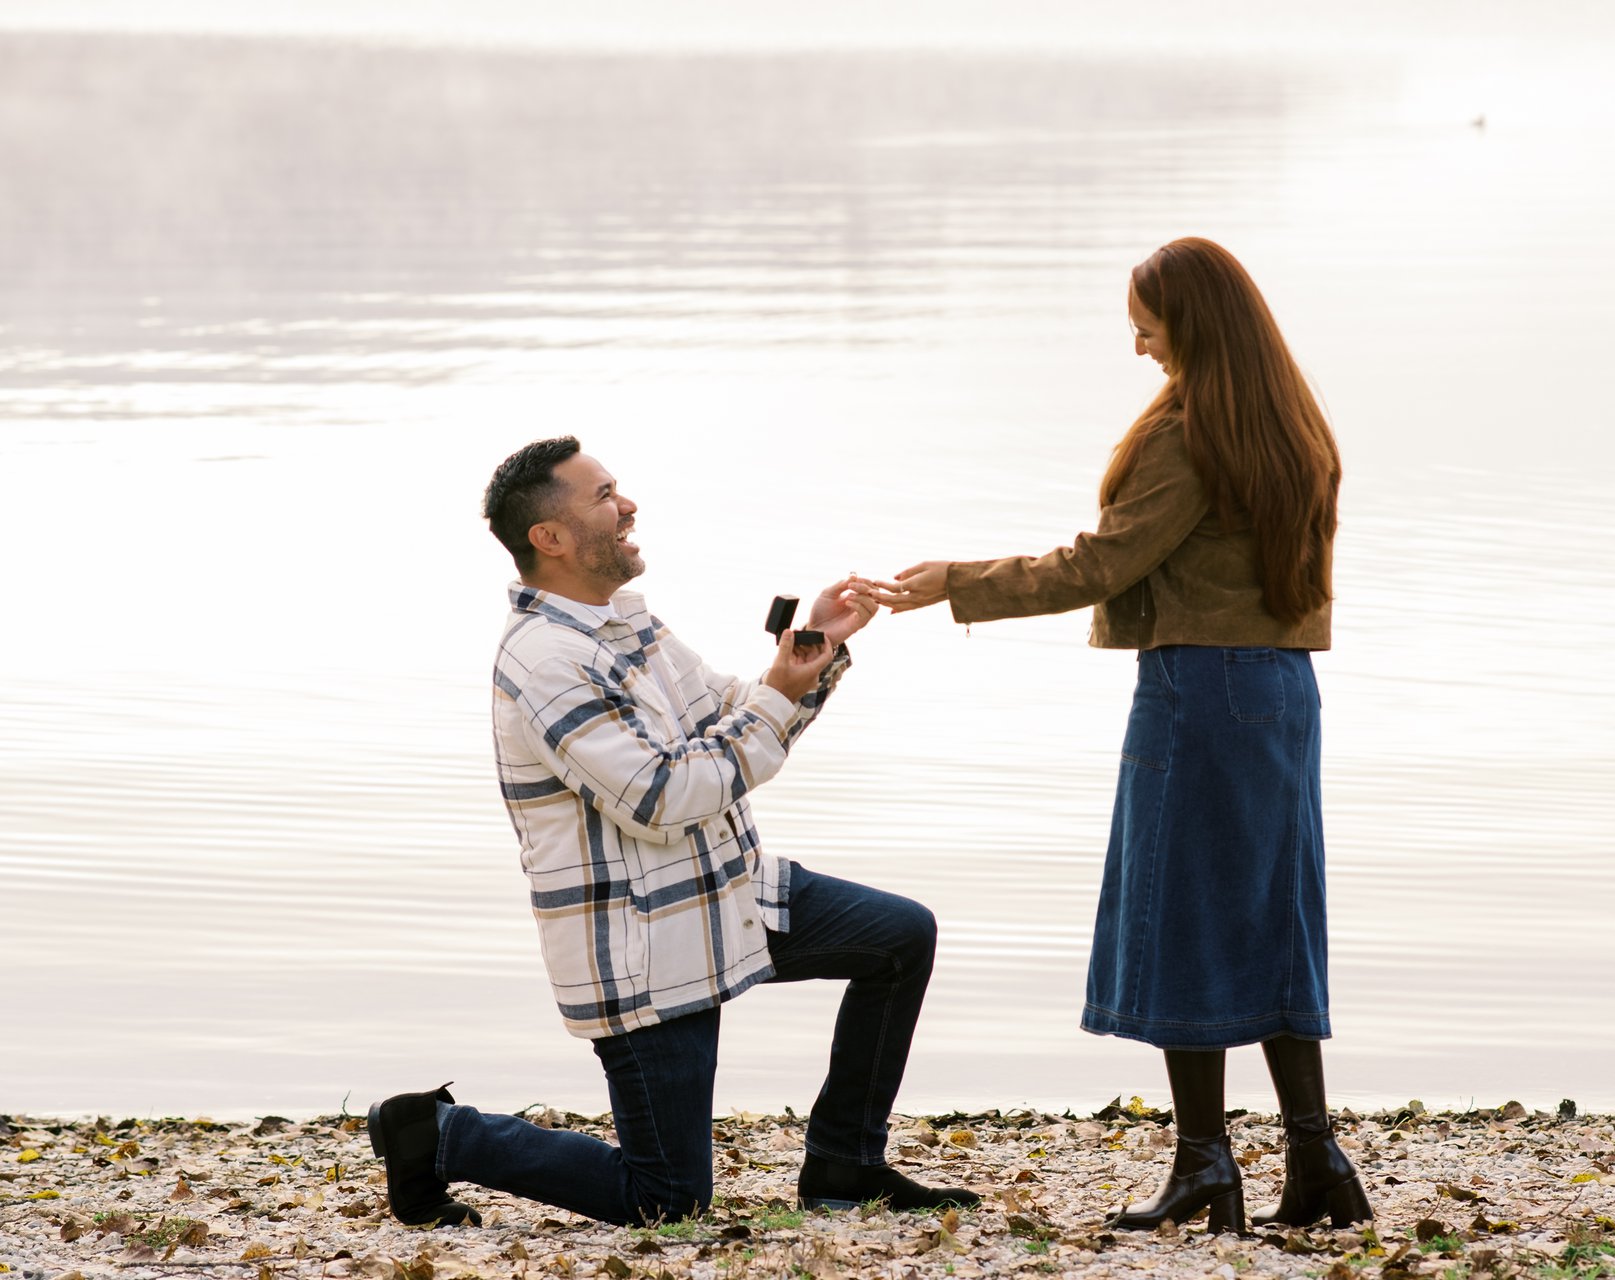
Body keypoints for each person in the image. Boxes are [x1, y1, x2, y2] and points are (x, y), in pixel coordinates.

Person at [878, 238, 1370, 1234]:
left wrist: (955, 582)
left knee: (1183, 914)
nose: (1139, 345)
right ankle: (1315, 1156)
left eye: (1148, 326)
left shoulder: (1191, 433)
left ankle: (1204, 1164)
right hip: (1283, 687)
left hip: (1200, 689)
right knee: (1274, 916)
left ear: (1195, 324)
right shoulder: (1290, 420)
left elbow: (1097, 566)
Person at [366, 436, 979, 1228]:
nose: (627, 506)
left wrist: (817, 649)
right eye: (603, 496)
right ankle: (436, 1132)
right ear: (549, 538)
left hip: (727, 892)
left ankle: (844, 1164)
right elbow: (661, 796)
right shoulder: (546, 661)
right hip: (646, 947)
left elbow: (730, 712)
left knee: (899, 938)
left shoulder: (624, 623)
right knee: (664, 1199)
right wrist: (775, 699)